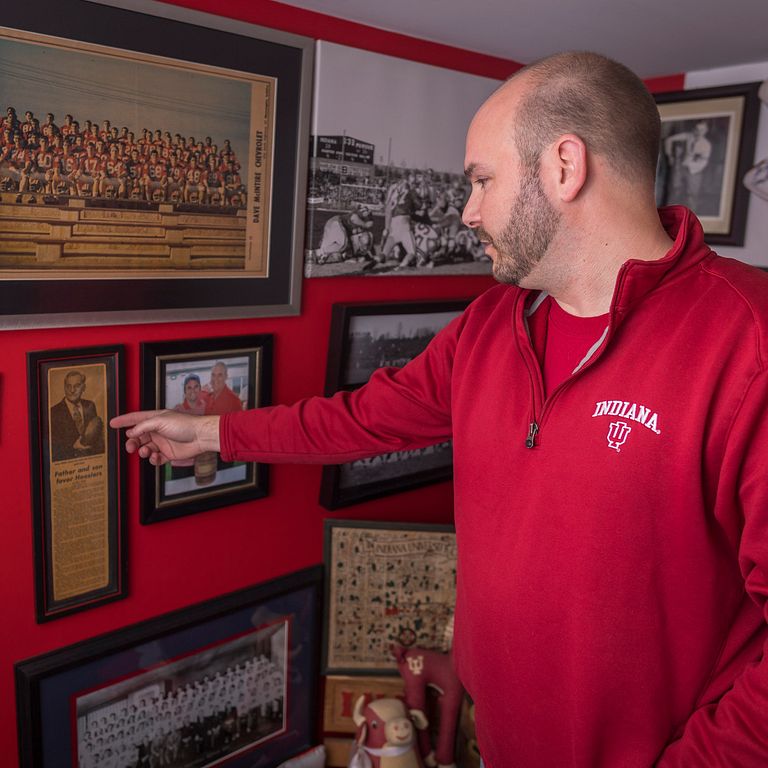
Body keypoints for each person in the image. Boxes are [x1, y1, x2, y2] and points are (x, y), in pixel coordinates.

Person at [111, 51, 768, 767]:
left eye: (482, 180)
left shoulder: (746, 340)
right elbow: (359, 420)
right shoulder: (489, 326)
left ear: (564, 166)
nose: (467, 211)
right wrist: (209, 432)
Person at [51, 370, 105, 462]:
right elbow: (53, 447)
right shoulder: (53, 412)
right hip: (67, 467)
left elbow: (95, 436)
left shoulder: (90, 405)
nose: (72, 390)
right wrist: (73, 447)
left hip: (90, 464)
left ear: (83, 387)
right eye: (68, 386)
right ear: (64, 387)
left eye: (77, 386)